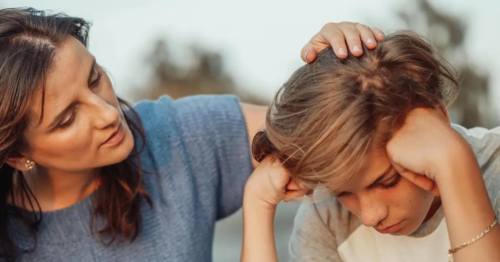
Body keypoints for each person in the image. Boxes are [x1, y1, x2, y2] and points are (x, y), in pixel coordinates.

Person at [0, 7, 385, 262]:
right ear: (18, 156)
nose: (107, 113)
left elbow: (330, 127)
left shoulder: (178, 135)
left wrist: (343, 72)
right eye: (67, 118)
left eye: (95, 78)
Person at [242, 31, 500, 262]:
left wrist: (454, 164)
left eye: (387, 182)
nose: (369, 216)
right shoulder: (327, 220)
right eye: (342, 192)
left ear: (439, 120)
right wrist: (257, 204)